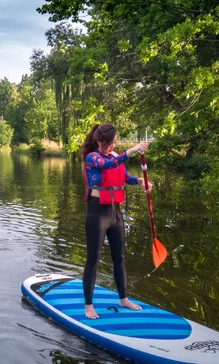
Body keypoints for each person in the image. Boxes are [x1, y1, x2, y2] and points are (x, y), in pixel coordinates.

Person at [80, 123, 152, 319]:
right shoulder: (92, 157)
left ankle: (123, 298)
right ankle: (88, 306)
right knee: (93, 260)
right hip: (97, 213)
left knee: (119, 258)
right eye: (110, 143)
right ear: (99, 141)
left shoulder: (115, 156)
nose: (113, 146)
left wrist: (140, 181)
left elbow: (125, 177)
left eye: (115, 143)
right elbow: (108, 165)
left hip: (115, 213)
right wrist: (132, 150)